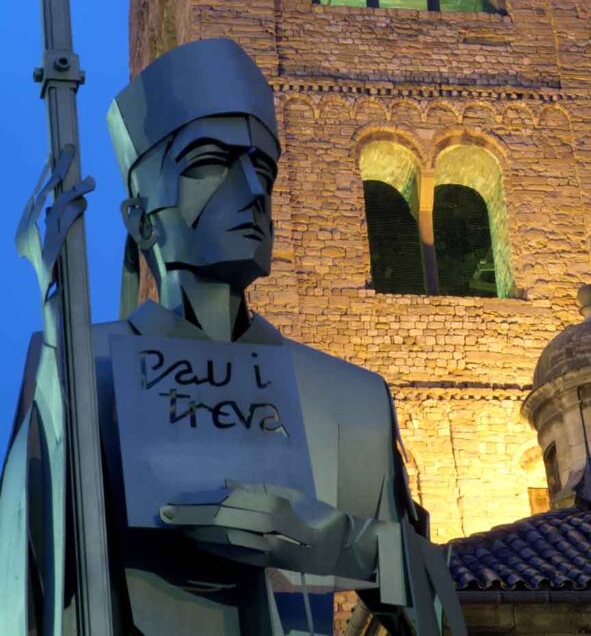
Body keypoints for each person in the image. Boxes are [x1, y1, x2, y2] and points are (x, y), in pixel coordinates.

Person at [2, 38, 466, 636]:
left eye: (263, 169)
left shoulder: (352, 401)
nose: (252, 191)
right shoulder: (78, 371)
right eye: (210, 163)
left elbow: (438, 620)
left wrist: (343, 546)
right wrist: (56, 348)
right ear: (141, 217)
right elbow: (23, 589)